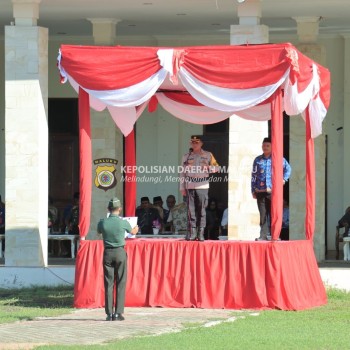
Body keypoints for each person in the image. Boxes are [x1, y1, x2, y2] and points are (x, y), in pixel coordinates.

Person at [97, 197, 139, 321]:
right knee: (121, 282)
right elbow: (132, 232)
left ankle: (109, 313)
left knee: (108, 283)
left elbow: (99, 232)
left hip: (108, 253)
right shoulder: (123, 222)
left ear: (108, 209)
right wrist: (136, 228)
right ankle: (118, 313)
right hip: (120, 252)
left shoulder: (103, 222)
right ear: (119, 209)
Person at [251, 137, 291, 241]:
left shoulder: (278, 158)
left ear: (272, 146)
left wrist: (284, 179)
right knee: (263, 214)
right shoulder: (257, 160)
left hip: (273, 192)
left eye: (267, 146)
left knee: (274, 214)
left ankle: (275, 235)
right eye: (264, 146)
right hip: (260, 191)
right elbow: (254, 175)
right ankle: (263, 235)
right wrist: (253, 190)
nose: (265, 148)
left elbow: (288, 169)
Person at [180, 135, 219, 241]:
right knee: (190, 210)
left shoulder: (208, 155)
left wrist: (208, 168)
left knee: (201, 209)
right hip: (190, 185)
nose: (194, 144)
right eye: (192, 142)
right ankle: (192, 232)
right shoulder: (186, 156)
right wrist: (182, 187)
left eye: (197, 142)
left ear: (201, 143)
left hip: (202, 185)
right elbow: (182, 173)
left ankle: (201, 233)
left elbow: (217, 167)